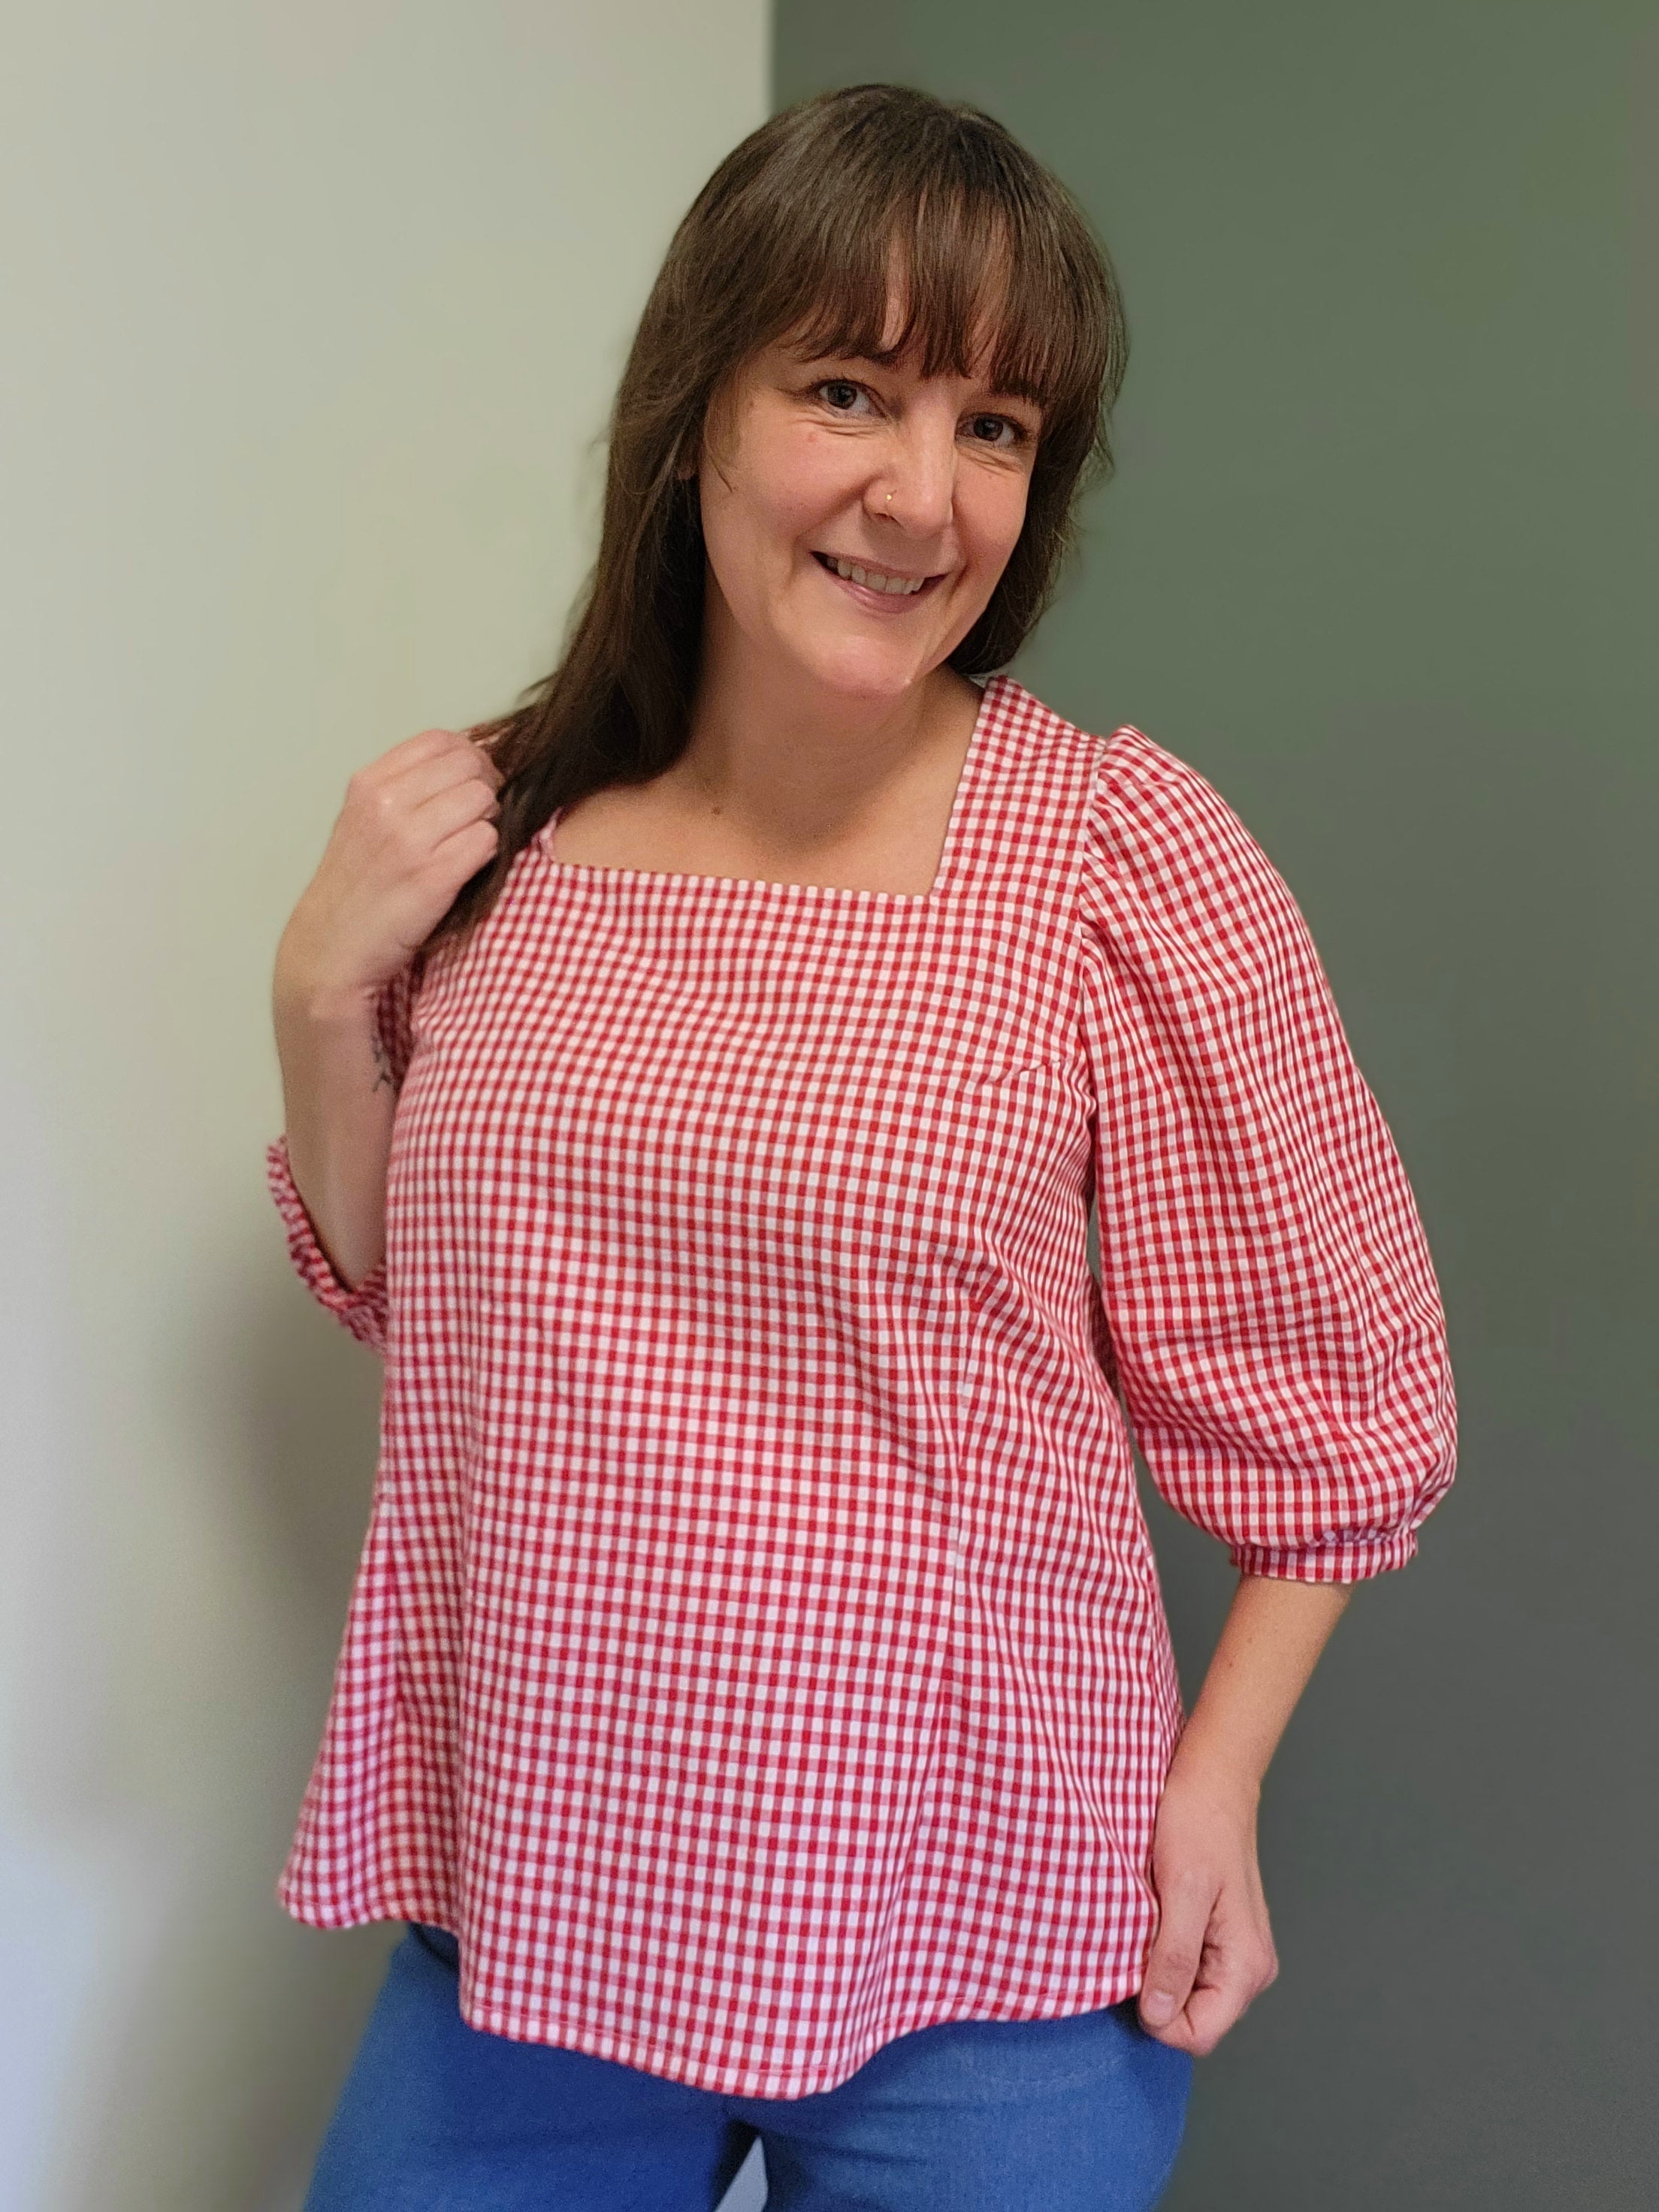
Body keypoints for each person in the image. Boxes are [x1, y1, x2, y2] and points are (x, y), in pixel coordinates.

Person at [266, 83, 1456, 2212]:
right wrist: (315, 1002)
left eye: (996, 428)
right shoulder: (493, 835)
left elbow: (1345, 1402)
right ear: (695, 413)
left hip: (986, 1954)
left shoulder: (1113, 863)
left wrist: (1218, 1785)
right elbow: (422, 1307)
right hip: (537, 1907)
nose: (923, 495)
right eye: (851, 390)